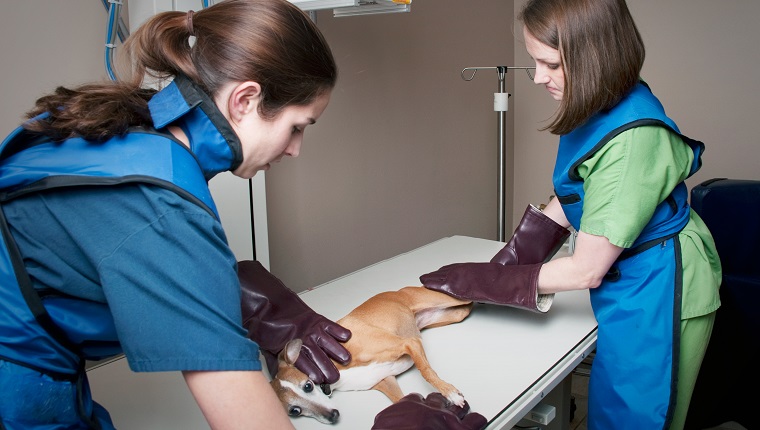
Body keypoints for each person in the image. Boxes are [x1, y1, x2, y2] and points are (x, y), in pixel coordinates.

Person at [0, 1, 353, 428]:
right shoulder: (161, 202)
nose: (295, 149)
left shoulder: (133, 123)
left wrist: (227, 292)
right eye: (297, 126)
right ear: (244, 100)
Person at [420, 0, 722, 429]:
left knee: (636, 417)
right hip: (634, 268)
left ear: (595, 57)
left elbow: (585, 271)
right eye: (533, 61)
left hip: (663, 282)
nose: (538, 77)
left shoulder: (633, 140)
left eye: (550, 64)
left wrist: (492, 280)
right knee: (611, 406)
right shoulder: (603, 98)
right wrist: (516, 255)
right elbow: (582, 189)